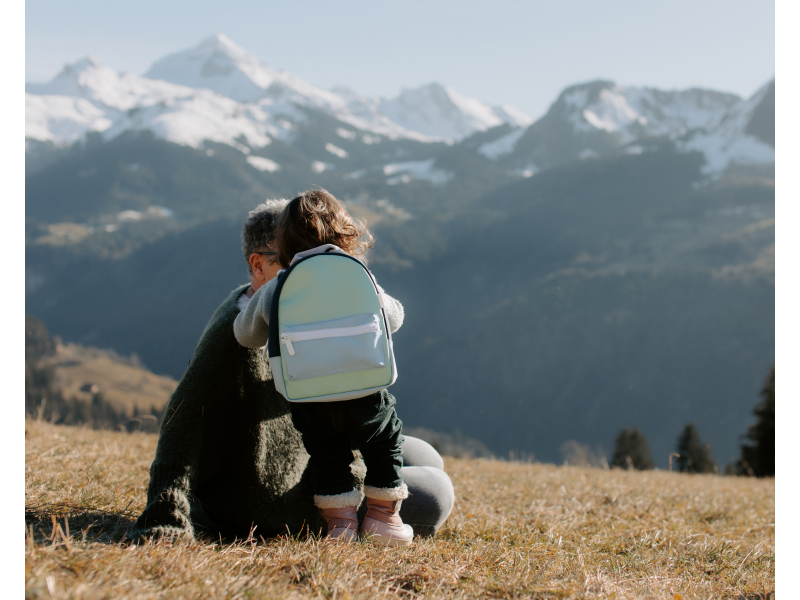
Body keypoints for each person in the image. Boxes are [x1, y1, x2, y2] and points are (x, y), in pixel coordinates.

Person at [131, 198, 454, 542]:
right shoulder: (234, 332)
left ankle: (368, 509)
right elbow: (183, 421)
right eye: (293, 262)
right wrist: (166, 509)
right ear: (258, 265)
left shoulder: (275, 301)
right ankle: (360, 525)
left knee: (425, 455)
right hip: (280, 495)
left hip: (317, 448)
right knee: (437, 491)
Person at [234, 190, 412, 545]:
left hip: (307, 394)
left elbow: (246, 335)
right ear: (346, 232)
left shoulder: (280, 285)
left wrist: (245, 304)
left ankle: (341, 527)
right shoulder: (358, 273)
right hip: (365, 388)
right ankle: (382, 520)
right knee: (385, 444)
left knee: (328, 457)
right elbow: (394, 317)